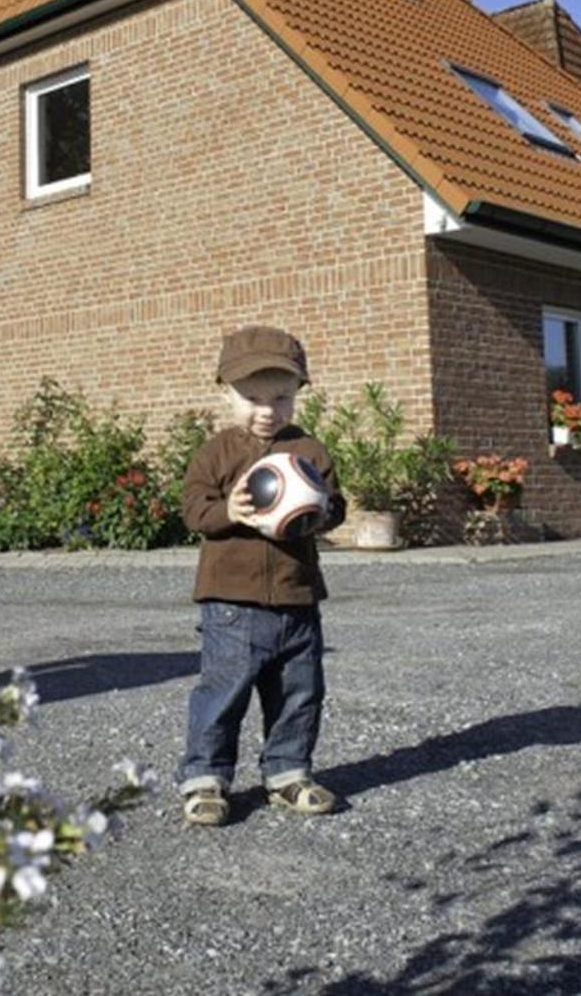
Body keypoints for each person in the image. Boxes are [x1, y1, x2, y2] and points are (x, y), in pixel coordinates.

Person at [176, 324, 346, 825]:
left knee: (299, 690)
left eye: (282, 398)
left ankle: (288, 772)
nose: (268, 410)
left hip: (296, 598)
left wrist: (322, 510)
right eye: (252, 397)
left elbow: (336, 506)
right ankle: (206, 777)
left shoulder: (310, 452)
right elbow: (194, 510)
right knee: (223, 690)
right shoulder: (216, 453)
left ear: (298, 394)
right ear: (227, 392)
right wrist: (230, 509)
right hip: (231, 602)